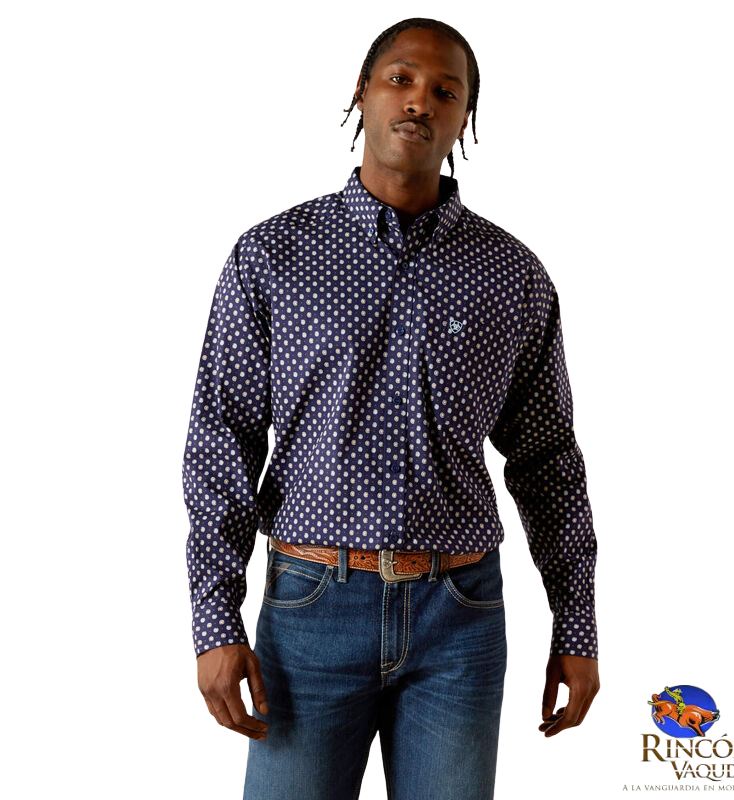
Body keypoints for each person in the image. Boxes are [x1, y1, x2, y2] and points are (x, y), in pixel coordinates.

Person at [182, 17, 599, 800]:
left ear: (465, 118)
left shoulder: (512, 276)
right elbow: (221, 441)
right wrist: (215, 620)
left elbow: (547, 460)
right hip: (309, 612)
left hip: (461, 621)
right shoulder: (272, 256)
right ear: (362, 93)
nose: (419, 101)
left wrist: (576, 625)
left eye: (446, 91)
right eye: (401, 79)